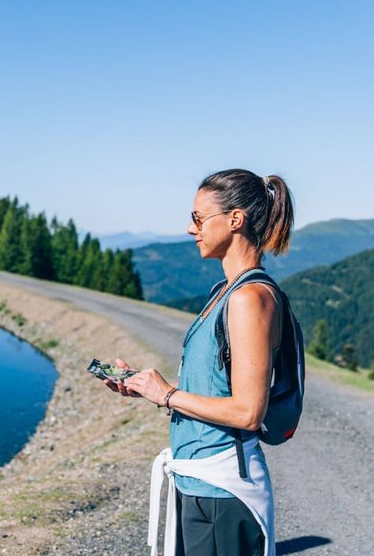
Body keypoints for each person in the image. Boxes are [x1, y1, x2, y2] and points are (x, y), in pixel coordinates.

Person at [106, 168, 294, 556]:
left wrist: (168, 395)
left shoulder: (249, 299)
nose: (192, 229)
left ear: (235, 219)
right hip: (198, 483)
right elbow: (213, 388)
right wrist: (146, 387)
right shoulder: (224, 293)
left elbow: (247, 412)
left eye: (198, 218)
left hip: (224, 493)